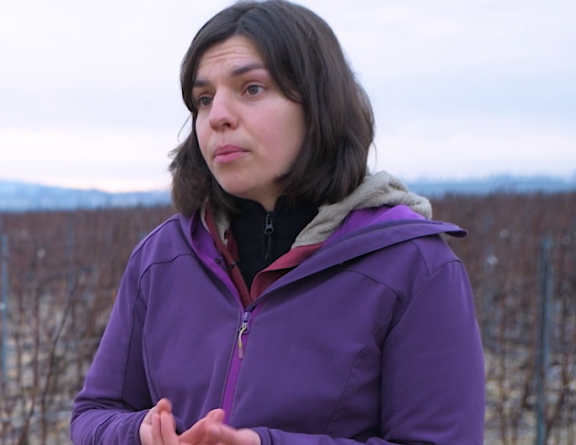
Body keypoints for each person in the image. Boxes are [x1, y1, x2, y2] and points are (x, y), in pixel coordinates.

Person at [69, 1, 485, 444]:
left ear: (319, 105)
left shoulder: (414, 267)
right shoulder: (162, 257)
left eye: (251, 89)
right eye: (204, 99)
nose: (218, 116)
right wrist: (143, 433)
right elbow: (93, 415)